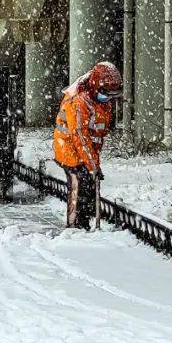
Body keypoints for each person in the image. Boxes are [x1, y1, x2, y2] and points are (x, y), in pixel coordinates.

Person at [52, 61, 123, 229]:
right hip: (70, 151)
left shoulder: (99, 100)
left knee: (89, 186)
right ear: (95, 86)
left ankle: (84, 220)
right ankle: (74, 226)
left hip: (84, 152)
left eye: (113, 94)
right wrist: (92, 166)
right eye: (106, 93)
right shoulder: (79, 101)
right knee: (78, 187)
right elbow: (80, 136)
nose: (109, 97)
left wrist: (93, 164)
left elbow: (96, 134)